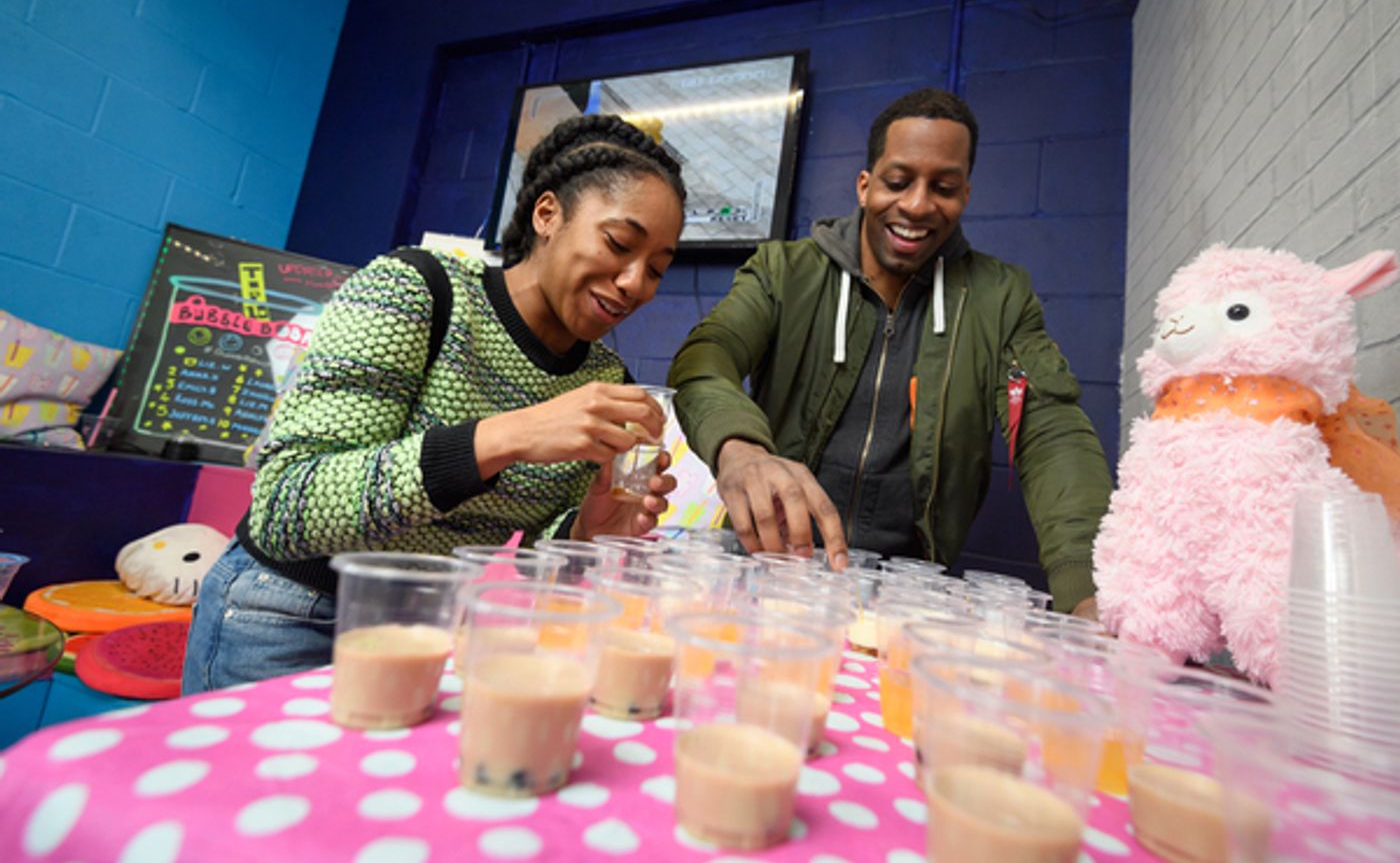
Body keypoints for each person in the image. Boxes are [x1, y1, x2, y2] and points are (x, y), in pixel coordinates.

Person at [182, 115, 687, 693]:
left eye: (656, 270)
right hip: (288, 615)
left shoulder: (603, 379)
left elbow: (539, 567)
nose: (633, 283)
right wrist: (504, 437)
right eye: (619, 244)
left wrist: (584, 532)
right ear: (548, 215)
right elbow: (286, 505)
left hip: (428, 630)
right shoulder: (417, 291)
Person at [668, 89, 1111, 615]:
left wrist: (1090, 591)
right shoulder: (784, 273)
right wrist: (739, 450)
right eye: (898, 182)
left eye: (943, 187)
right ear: (864, 185)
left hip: (905, 595)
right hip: (766, 571)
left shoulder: (999, 297)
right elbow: (706, 358)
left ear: (965, 195)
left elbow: (1052, 434)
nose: (918, 205)